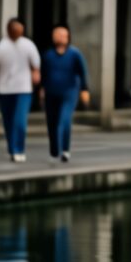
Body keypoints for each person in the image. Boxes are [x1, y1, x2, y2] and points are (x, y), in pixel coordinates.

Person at [37, 25, 89, 162]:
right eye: (57, 34)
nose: (60, 37)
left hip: (69, 92)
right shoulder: (48, 55)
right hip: (51, 92)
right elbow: (43, 74)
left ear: (68, 37)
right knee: (52, 122)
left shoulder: (75, 54)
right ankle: (54, 151)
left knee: (64, 119)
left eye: (63, 34)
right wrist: (42, 90)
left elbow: (82, 72)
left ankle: (65, 150)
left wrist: (84, 90)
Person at [0, 19, 39, 162]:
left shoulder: (28, 45)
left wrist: (36, 73)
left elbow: (36, 64)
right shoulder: (2, 46)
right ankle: (12, 148)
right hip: (4, 89)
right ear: (8, 29)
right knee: (8, 121)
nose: (17, 31)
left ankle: (19, 148)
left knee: (19, 120)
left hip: (23, 89)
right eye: (14, 28)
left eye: (19, 28)